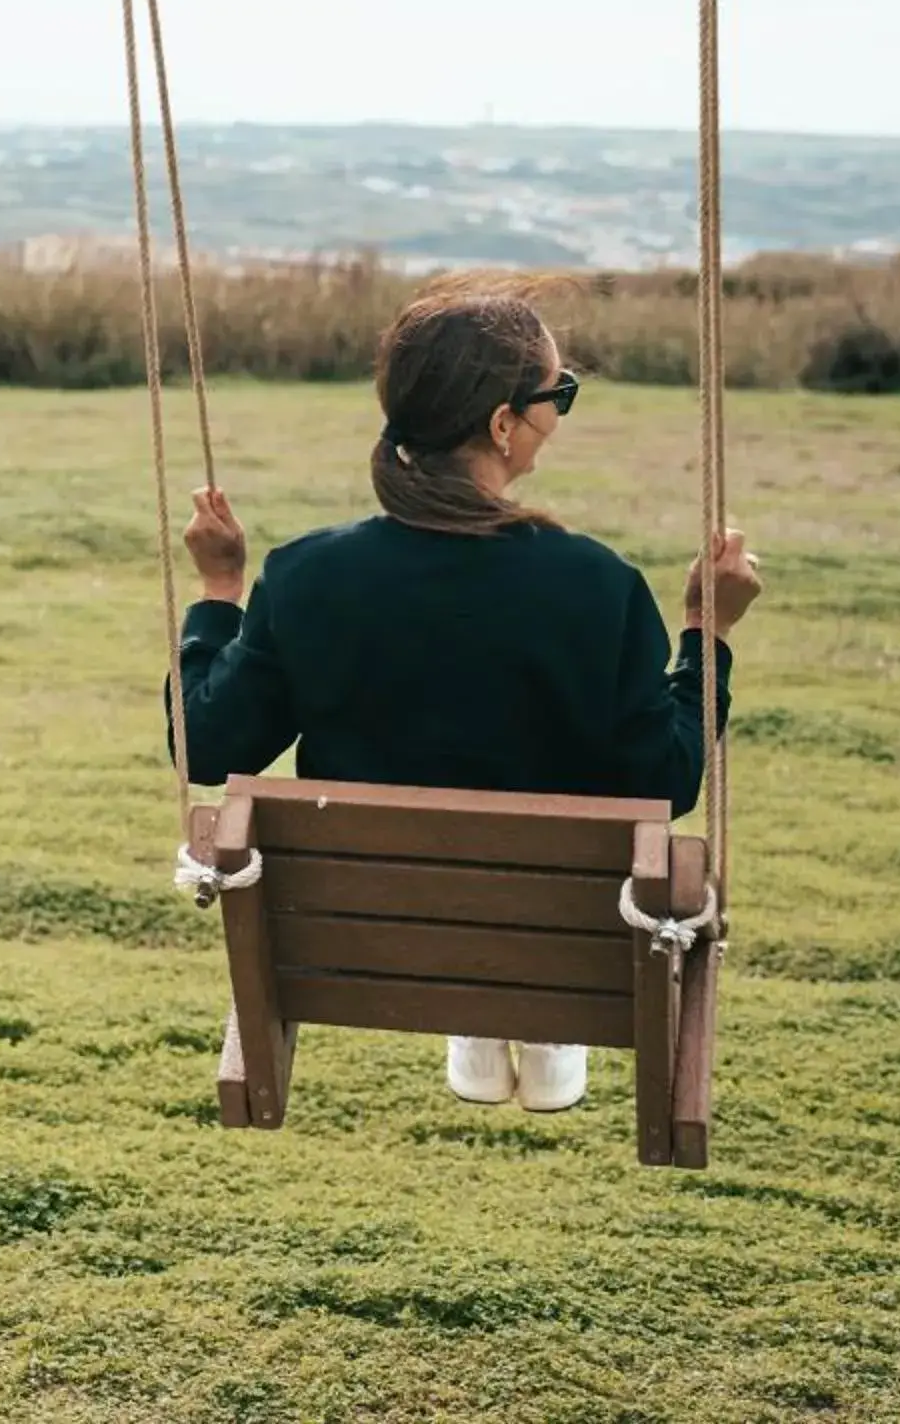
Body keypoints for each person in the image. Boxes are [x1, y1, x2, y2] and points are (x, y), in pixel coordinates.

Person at [172, 284, 763, 1116]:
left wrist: (218, 587)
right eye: (559, 396)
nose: (560, 414)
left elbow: (206, 744)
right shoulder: (595, 586)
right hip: (564, 936)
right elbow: (666, 778)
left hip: (368, 938)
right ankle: (529, 1002)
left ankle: (479, 998)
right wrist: (709, 630)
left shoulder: (308, 575)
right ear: (501, 424)